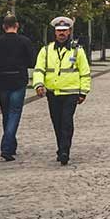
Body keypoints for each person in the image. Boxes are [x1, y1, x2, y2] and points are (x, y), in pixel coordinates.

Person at [33, 16, 92, 165]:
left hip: (71, 93)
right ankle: (60, 147)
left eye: (64, 31)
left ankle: (65, 150)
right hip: (53, 93)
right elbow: (39, 69)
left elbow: (85, 71)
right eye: (59, 31)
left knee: (66, 122)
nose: (62, 33)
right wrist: (39, 85)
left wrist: (83, 91)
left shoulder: (77, 51)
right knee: (57, 122)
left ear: (69, 31)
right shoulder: (46, 51)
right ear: (55, 32)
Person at [0, 14, 36, 162]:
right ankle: (7, 146)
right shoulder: (24, 41)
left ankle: (11, 143)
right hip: (18, 79)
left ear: (4, 26)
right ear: (17, 25)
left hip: (2, 80)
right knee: (14, 113)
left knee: (6, 113)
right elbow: (32, 61)